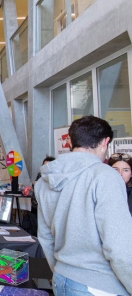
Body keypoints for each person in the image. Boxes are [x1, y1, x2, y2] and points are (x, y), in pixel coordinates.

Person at [35, 116, 132, 295]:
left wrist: (61, 270)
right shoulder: (105, 176)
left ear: (70, 141)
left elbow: (46, 238)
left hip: (62, 279)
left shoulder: (45, 180)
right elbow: (119, 248)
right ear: (105, 142)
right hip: (101, 285)